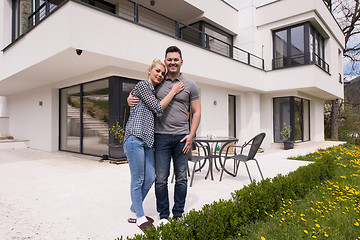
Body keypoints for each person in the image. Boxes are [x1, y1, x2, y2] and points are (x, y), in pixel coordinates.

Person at [128, 46, 201, 224]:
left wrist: (192, 135)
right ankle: (163, 216)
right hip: (160, 136)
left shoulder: (191, 85)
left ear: (181, 62)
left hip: (183, 137)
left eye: (176, 59)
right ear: (165, 61)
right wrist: (128, 98)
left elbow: (197, 112)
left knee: (182, 177)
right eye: (169, 59)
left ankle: (178, 214)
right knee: (160, 178)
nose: (172, 62)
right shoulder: (159, 81)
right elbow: (141, 92)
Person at [123, 58, 184, 232]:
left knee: (150, 177)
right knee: (138, 179)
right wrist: (172, 92)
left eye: (162, 73)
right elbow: (158, 109)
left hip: (148, 141)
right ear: (149, 70)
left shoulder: (152, 90)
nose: (160, 74)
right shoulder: (142, 85)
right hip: (135, 138)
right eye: (157, 70)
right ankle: (140, 216)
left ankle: (134, 210)